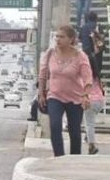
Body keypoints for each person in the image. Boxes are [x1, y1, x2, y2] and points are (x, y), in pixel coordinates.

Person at [38, 25, 93, 156]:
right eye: (57, 36)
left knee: (74, 132)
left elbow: (88, 77)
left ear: (71, 39)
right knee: (55, 126)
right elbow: (42, 74)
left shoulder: (80, 56)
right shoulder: (50, 53)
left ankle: (74, 160)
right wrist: (41, 94)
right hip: (55, 96)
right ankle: (59, 157)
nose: (58, 39)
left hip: (75, 99)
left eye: (62, 37)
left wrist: (85, 95)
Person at [84, 51, 105, 155]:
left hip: (90, 100)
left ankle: (91, 146)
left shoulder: (85, 75)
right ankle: (88, 136)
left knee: (89, 124)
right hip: (100, 101)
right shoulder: (97, 74)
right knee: (89, 121)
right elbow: (102, 88)